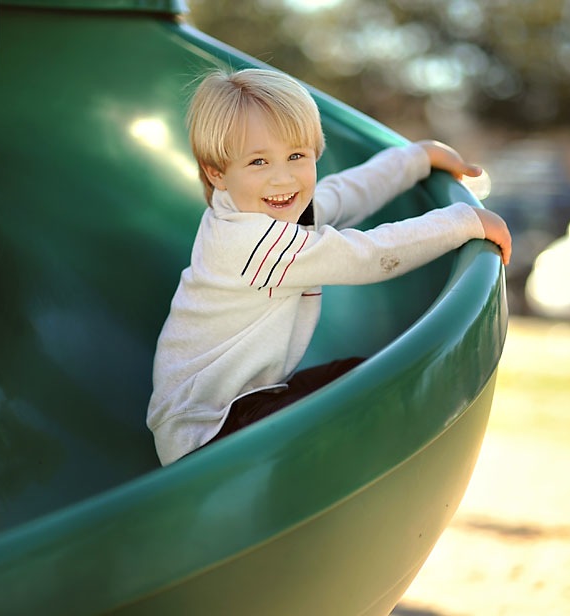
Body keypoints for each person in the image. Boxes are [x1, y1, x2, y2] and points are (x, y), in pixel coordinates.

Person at [147, 68, 512, 465]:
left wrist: (415, 158)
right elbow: (367, 255)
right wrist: (461, 223)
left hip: (245, 402)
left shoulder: (266, 208)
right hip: (208, 433)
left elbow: (345, 193)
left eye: (296, 156)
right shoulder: (250, 243)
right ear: (218, 172)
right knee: (363, 405)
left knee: (366, 377)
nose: (282, 177)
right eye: (258, 162)